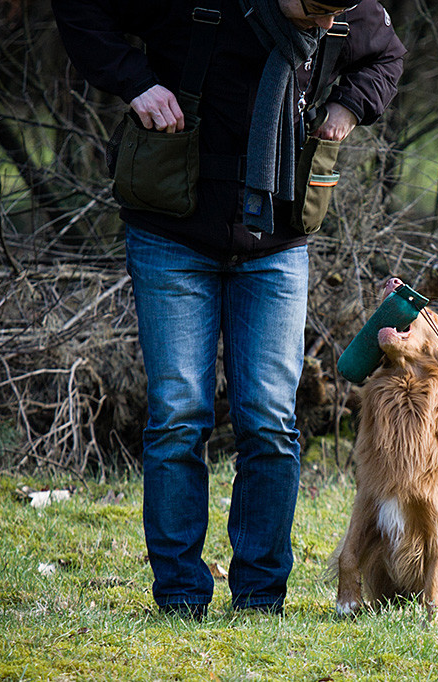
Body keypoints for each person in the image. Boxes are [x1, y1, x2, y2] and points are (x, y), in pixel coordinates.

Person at [51, 0, 405, 618]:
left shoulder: (342, 13)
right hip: (172, 231)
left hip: (276, 240)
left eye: (336, 12)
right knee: (178, 416)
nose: (328, 26)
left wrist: (348, 107)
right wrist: (137, 84)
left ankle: (260, 601)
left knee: (270, 422)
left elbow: (387, 58)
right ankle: (180, 598)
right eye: (316, 9)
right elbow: (80, 9)